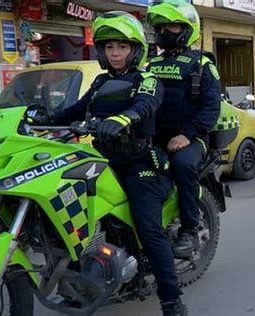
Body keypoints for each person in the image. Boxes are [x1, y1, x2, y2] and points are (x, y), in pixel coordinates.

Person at [51, 12, 187, 315]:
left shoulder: (147, 79)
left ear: (134, 50)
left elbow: (146, 104)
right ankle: (81, 281)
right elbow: (75, 110)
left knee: (149, 230)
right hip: (103, 160)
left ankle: (171, 299)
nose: (115, 53)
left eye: (122, 47)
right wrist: (42, 120)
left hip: (140, 162)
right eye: (109, 46)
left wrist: (123, 118)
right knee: (76, 216)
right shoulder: (100, 83)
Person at [146, 0, 220, 257]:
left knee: (182, 165)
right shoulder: (152, 65)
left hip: (192, 138)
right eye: (162, 27)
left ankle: (189, 229)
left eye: (173, 27)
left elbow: (211, 109)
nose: (166, 32)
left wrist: (187, 135)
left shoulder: (203, 65)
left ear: (188, 30)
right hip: (154, 137)